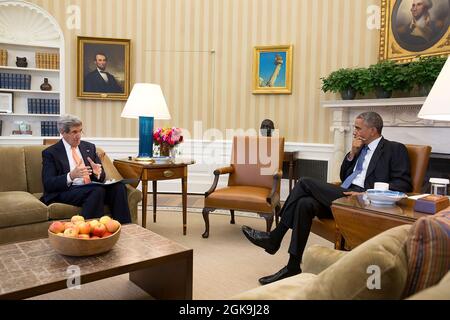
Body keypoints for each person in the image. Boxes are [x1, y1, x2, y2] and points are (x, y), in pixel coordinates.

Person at [242, 112, 412, 285]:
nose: (354, 131)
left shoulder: (395, 149)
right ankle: (292, 266)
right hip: (345, 194)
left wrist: (367, 193)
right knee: (304, 203)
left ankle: (274, 238)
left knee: (304, 182)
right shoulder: (360, 148)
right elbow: (344, 175)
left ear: (373, 130)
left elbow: (404, 184)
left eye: (358, 128)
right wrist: (353, 153)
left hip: (364, 201)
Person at [41, 114, 132, 224]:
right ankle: (90, 231)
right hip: (67, 190)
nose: (78, 135)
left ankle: (125, 227)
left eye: (80, 131)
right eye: (74, 132)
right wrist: (71, 176)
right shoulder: (51, 153)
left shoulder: (89, 147)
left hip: (89, 186)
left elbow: (100, 177)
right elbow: (48, 183)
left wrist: (98, 173)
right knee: (96, 190)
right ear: (63, 132)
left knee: (118, 187)